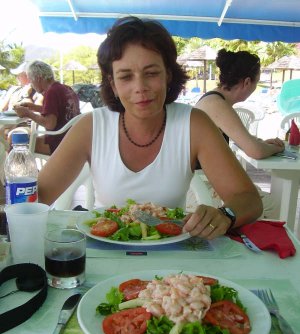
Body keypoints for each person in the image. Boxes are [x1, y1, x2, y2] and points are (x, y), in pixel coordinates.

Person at [38, 16, 262, 240]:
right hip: (103, 252)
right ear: (113, 85)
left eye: (151, 73)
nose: (140, 88)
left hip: (173, 258)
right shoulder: (91, 127)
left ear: (168, 75)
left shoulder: (194, 124)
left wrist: (225, 214)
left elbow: (248, 199)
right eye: (126, 77)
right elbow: (38, 196)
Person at [195, 49, 285, 218]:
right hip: (201, 183)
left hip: (207, 178)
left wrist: (263, 143)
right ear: (246, 82)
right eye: (256, 83)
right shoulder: (217, 104)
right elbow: (255, 151)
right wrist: (277, 148)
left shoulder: (214, 100)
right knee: (269, 205)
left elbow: (244, 140)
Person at [14, 61, 80, 155]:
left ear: (38, 78)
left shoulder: (51, 92)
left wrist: (28, 113)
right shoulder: (66, 88)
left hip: (59, 143)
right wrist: (34, 107)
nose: (31, 85)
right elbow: (59, 111)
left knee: (18, 143)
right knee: (28, 139)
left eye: (31, 81)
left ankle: (23, 169)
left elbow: (49, 124)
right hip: (72, 138)